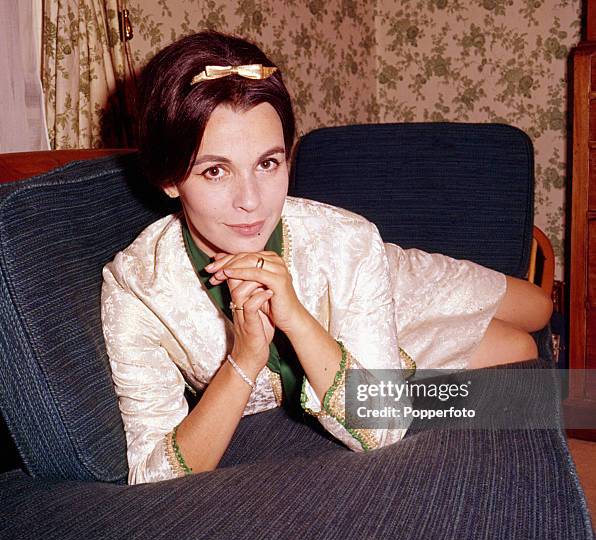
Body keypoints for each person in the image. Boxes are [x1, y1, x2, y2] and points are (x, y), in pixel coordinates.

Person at [101, 31, 553, 485]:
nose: (251, 202)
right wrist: (246, 357)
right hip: (355, 346)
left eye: (268, 163)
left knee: (539, 307)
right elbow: (152, 476)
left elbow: (348, 256)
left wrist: (297, 312)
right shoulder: (138, 288)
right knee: (520, 350)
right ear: (168, 179)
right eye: (216, 171)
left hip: (376, 277)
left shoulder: (347, 239)